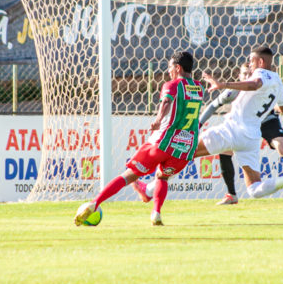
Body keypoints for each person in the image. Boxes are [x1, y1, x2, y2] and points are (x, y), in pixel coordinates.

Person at [74, 51, 203, 227]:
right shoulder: (199, 88)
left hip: (162, 142)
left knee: (128, 176)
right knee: (162, 177)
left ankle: (94, 203)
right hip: (185, 148)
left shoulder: (172, 85)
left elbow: (166, 102)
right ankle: (156, 213)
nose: (168, 72)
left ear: (178, 68)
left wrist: (158, 120)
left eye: (170, 68)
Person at [188, 62, 283, 205]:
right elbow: (213, 105)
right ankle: (231, 195)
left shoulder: (264, 86)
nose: (247, 76)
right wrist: (197, 125)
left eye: (249, 73)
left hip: (267, 122)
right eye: (244, 74)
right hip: (245, 128)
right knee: (226, 149)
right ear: (238, 76)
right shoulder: (234, 91)